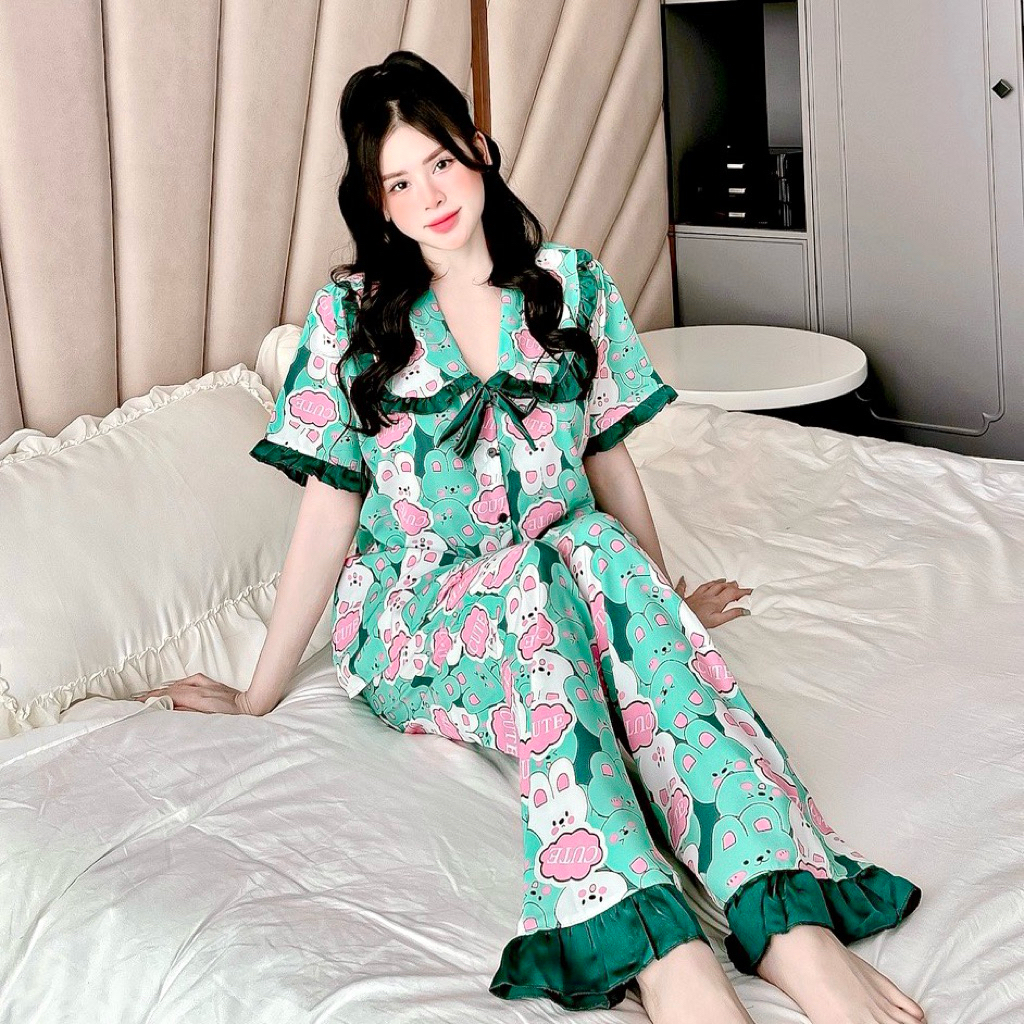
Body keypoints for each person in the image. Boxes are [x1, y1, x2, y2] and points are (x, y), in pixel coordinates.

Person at [132, 50, 926, 1024]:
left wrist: (661, 605)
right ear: (377, 202)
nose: (429, 195)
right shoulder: (352, 316)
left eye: (440, 162)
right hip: (420, 613)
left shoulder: (569, 287)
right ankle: (657, 944)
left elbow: (606, 459)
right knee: (536, 576)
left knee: (592, 550)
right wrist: (258, 693)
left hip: (560, 574)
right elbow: (328, 510)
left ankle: (784, 915)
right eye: (398, 181)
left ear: (479, 149)